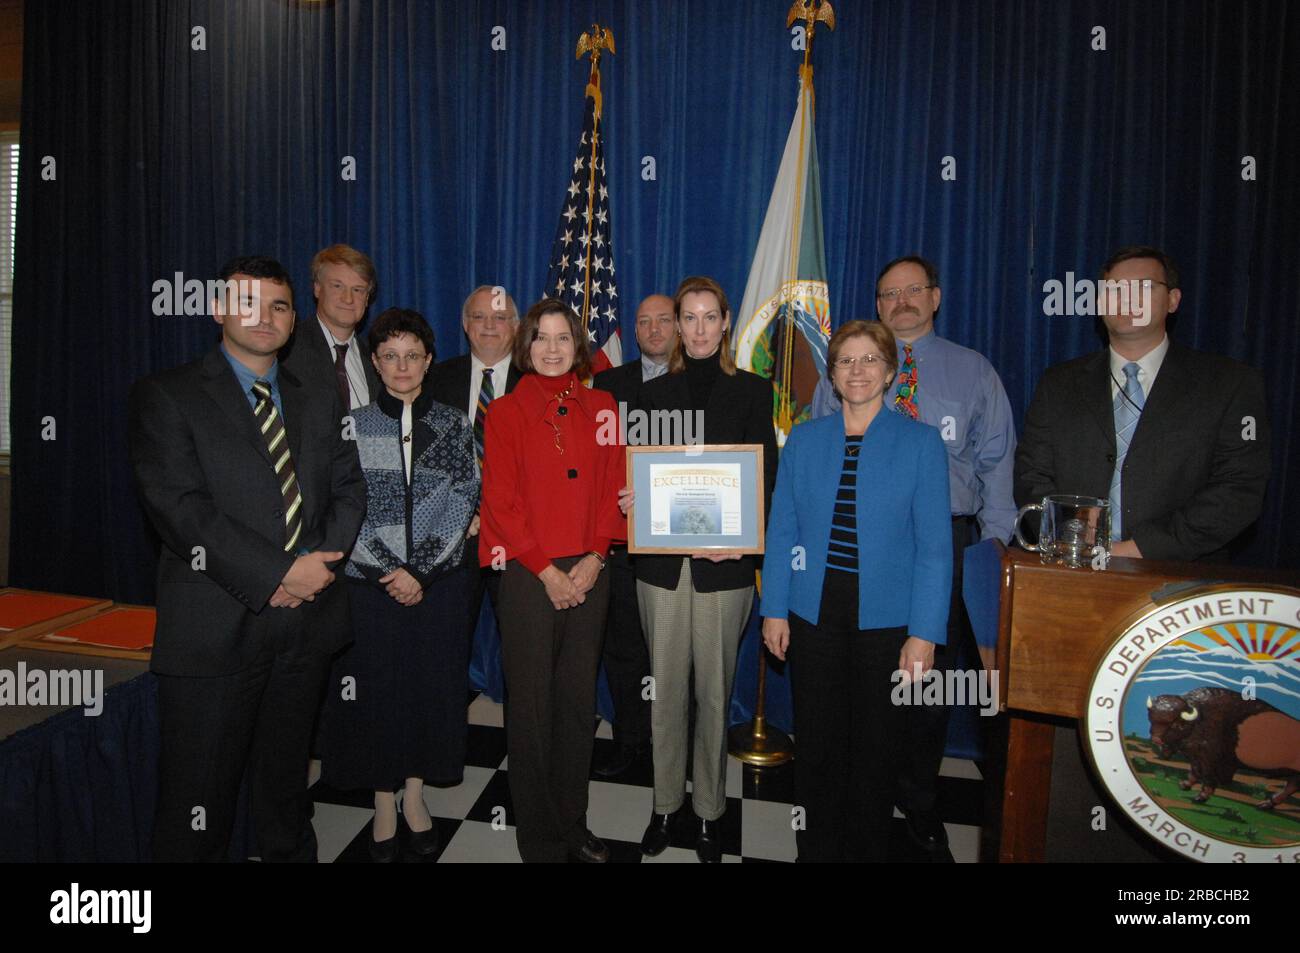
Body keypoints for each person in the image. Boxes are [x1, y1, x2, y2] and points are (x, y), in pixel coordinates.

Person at [128, 255, 365, 862]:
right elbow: (181, 512)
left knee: (286, 795)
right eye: (249, 303)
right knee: (197, 807)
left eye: (278, 305)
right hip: (215, 632)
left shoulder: (318, 398)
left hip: (303, 629)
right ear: (217, 309)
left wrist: (314, 569)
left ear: (292, 319)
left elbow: (348, 489)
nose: (265, 316)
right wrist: (279, 573)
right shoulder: (167, 395)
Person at [810, 254, 1018, 851]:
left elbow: (997, 466)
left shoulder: (971, 371)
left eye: (912, 290)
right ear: (877, 304)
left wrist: (992, 554)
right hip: (857, 542)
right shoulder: (845, 372)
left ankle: (919, 799)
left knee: (927, 678)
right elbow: (822, 453)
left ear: (936, 296)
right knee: (860, 674)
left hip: (943, 541)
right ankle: (854, 793)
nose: (900, 301)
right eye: (888, 293)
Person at [762, 319, 952, 862]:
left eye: (870, 360)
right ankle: (815, 851)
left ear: (890, 371)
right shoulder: (805, 438)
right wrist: (774, 608)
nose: (858, 370)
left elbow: (936, 550)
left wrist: (924, 634)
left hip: (889, 622)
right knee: (818, 744)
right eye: (846, 360)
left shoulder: (921, 444)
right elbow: (782, 531)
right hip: (813, 611)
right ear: (833, 372)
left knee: (877, 749)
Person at [628, 276, 778, 863]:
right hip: (661, 569)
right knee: (665, 693)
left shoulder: (754, 392)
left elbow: (764, 480)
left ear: (725, 323)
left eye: (707, 317)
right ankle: (666, 806)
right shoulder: (648, 395)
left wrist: (740, 540)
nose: (695, 329)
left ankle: (711, 813)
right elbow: (635, 474)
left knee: (715, 694)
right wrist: (630, 500)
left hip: (726, 570)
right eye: (686, 318)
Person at [319, 308, 479, 862]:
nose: (402, 365)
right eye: (390, 355)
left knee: (428, 690)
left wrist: (422, 571)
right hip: (371, 586)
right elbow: (345, 508)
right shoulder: (355, 425)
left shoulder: (456, 424)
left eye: (413, 355)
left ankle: (415, 795)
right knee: (379, 692)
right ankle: (383, 799)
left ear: (429, 361)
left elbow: (463, 501)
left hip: (439, 585)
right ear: (376, 362)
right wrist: (392, 571)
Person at [478, 298, 625, 863]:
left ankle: (574, 821)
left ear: (578, 346)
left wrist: (594, 558)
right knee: (532, 708)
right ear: (526, 346)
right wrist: (545, 570)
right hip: (527, 575)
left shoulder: (606, 405)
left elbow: (616, 485)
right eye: (542, 338)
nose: (553, 348)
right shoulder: (507, 412)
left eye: (564, 338)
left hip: (591, 572)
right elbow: (501, 501)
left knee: (575, 702)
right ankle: (538, 839)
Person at [1015, 245, 1271, 562]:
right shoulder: (1058, 383)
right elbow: (1031, 474)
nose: (1128, 298)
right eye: (1114, 289)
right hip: (1074, 568)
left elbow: (1238, 489)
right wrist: (1072, 532)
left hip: (1181, 576)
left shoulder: (1230, 384)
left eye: (1144, 287)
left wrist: (1142, 548)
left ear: (1173, 299)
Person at [590, 293, 677, 778]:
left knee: (675, 653)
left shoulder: (697, 382)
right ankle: (629, 742)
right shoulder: (608, 383)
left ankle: (674, 747)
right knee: (624, 650)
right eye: (644, 322)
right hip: (622, 543)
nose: (654, 329)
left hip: (678, 544)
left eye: (664, 320)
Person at [426, 285, 523, 650]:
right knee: (446, 642)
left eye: (499, 318)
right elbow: (425, 461)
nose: (489, 326)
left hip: (516, 537)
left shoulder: (536, 382)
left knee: (521, 646)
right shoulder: (434, 379)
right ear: (466, 324)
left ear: (515, 326)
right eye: (479, 316)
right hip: (453, 534)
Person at [281, 243, 381, 411]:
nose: (348, 299)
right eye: (337, 286)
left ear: (367, 298)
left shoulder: (377, 359)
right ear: (317, 289)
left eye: (357, 290)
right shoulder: (286, 350)